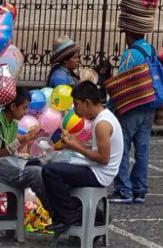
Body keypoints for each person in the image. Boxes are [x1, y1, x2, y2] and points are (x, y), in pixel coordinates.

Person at [42, 80, 124, 237]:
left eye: (77, 104)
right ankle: (94, 217)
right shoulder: (101, 118)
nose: (75, 108)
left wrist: (74, 147)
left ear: (87, 102)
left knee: (50, 171)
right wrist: (73, 141)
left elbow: (103, 158)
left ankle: (67, 217)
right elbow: (91, 150)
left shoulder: (102, 123)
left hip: (100, 174)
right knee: (57, 164)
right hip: (97, 169)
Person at [110, 29, 161, 205]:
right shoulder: (150, 50)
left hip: (132, 106)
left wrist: (111, 106)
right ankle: (139, 190)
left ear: (129, 35)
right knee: (142, 149)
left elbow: (120, 81)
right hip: (150, 105)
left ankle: (124, 190)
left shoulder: (131, 54)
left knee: (122, 147)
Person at [0, 87, 46, 199]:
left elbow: (10, 152)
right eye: (24, 108)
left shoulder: (13, 124)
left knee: (40, 165)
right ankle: (51, 208)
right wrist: (19, 141)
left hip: (5, 163)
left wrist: (26, 141)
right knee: (35, 173)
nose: (26, 112)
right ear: (13, 106)